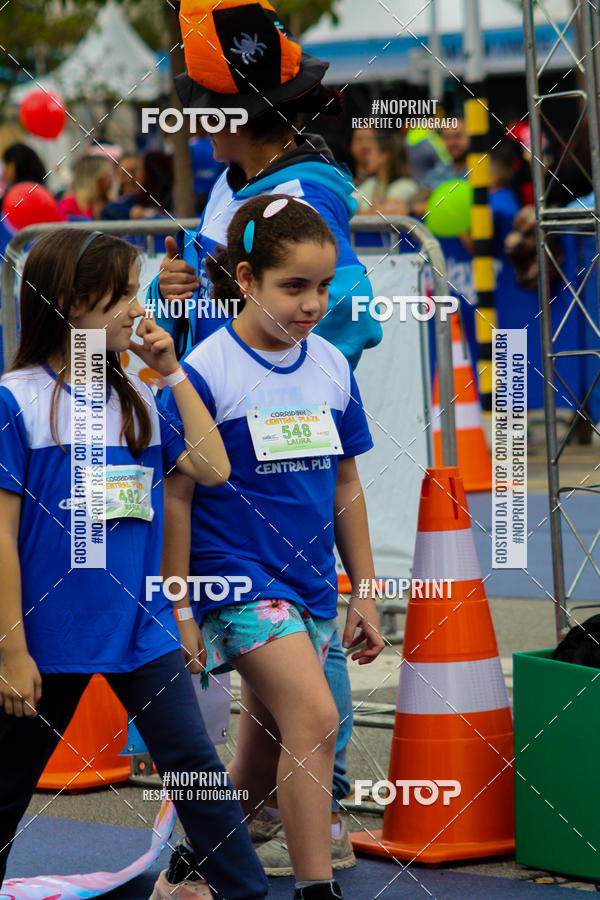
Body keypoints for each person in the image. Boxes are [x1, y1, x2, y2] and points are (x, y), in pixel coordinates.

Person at [151, 0, 383, 879]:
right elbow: (182, 470)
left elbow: (346, 325)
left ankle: (193, 866)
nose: (311, 301)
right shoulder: (212, 358)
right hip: (239, 549)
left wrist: (363, 585)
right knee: (311, 716)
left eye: (316, 285)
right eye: (296, 286)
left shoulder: (304, 197)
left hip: (298, 532)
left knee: (269, 738)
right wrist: (177, 599)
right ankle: (312, 850)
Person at [0, 228, 269, 900]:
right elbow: (0, 534)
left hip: (140, 630)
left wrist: (172, 371)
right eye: (121, 294)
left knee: (198, 773)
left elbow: (213, 468)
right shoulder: (17, 399)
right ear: (68, 300)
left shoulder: (141, 397)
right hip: (46, 638)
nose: (136, 307)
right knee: (5, 790)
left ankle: (248, 892)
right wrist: (11, 650)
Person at [152, 0, 381, 371]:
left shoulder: (300, 199)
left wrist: (271, 378)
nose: (198, 124)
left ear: (237, 121)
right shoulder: (232, 183)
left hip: (257, 422)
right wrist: (170, 291)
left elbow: (352, 311)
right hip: (214, 408)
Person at [355, 131, 419, 215]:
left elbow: (383, 214)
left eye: (370, 152)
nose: (366, 157)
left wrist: (360, 213)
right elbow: (349, 203)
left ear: (384, 156)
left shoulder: (406, 185)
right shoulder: (372, 182)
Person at [57, 155, 114, 220]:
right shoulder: (70, 204)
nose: (111, 178)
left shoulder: (113, 203)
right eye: (108, 173)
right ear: (95, 177)